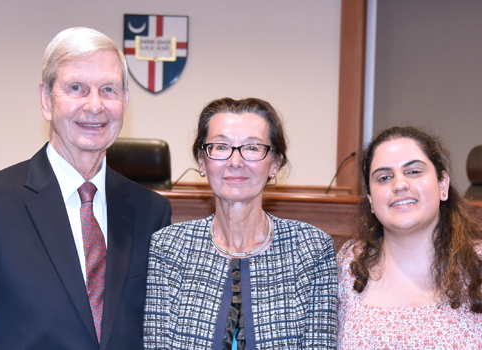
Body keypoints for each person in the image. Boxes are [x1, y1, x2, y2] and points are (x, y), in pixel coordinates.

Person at [0, 27, 172, 349]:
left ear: (124, 101)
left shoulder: (152, 212)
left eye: (108, 89)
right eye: (76, 88)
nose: (95, 106)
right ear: (46, 100)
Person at [143, 97, 338, 350]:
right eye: (221, 147)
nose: (236, 162)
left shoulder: (311, 250)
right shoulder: (168, 247)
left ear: (275, 163)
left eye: (253, 148)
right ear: (202, 161)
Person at [336, 126, 482, 349]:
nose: (400, 185)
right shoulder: (349, 265)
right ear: (371, 200)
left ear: (443, 184)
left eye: (414, 172)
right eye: (384, 177)